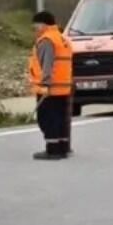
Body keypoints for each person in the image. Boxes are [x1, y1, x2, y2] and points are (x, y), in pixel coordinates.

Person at [28, 11, 73, 160]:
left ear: (43, 24)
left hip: (50, 88)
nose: (34, 29)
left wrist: (45, 84)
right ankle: (63, 147)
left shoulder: (46, 40)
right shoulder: (62, 39)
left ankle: (53, 150)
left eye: (35, 25)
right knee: (60, 118)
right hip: (63, 86)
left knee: (47, 119)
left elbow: (47, 64)